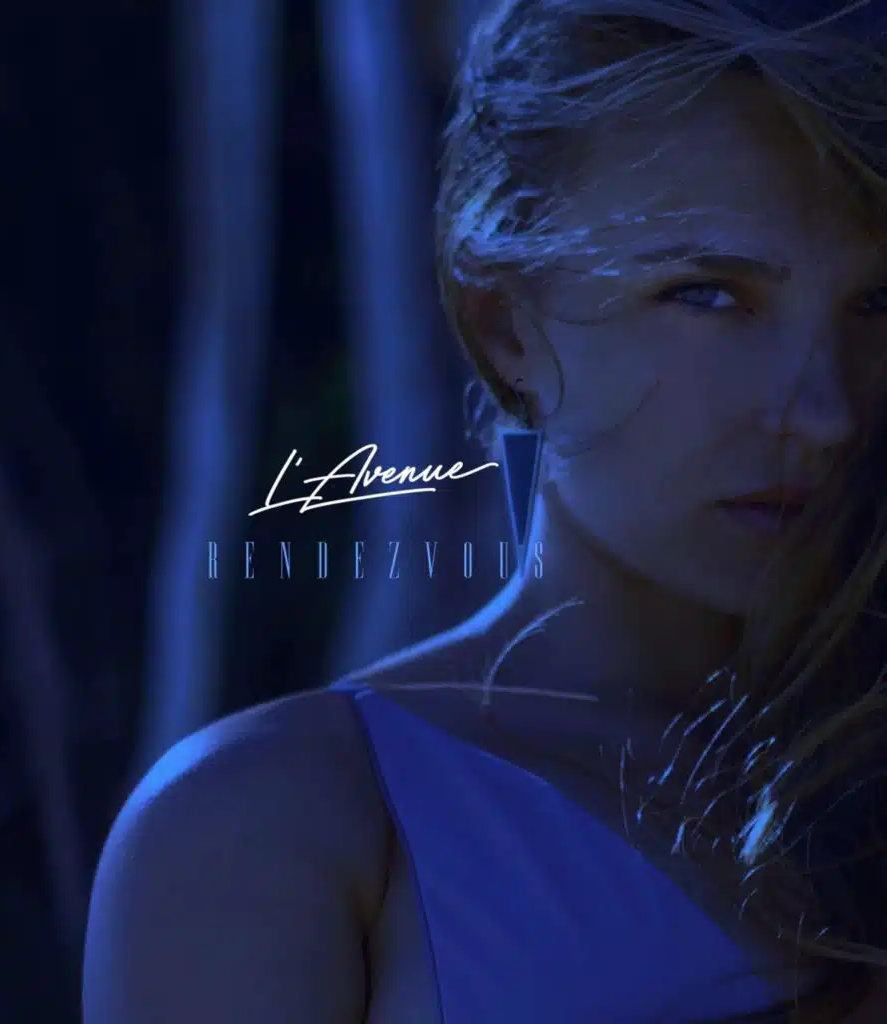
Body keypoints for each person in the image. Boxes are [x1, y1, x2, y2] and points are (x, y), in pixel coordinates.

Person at [82, 1, 887, 1020]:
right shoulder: (284, 819)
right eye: (709, 294)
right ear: (504, 323)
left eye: (878, 304)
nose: (826, 410)